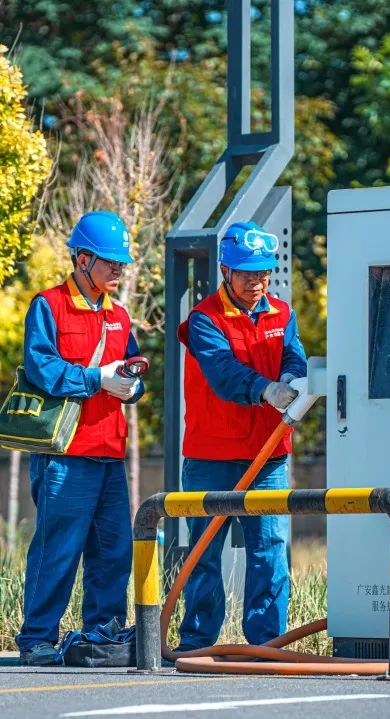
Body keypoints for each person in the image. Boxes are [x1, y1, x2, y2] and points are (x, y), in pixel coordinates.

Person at [15, 211, 145, 666]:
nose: (117, 270)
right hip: (64, 454)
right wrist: (95, 379)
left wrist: (130, 386)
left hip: (109, 451)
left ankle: (101, 635)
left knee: (113, 552)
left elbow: (128, 369)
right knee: (58, 549)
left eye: (121, 263)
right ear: (83, 259)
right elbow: (42, 368)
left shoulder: (119, 315)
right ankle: (37, 639)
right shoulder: (48, 306)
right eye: (110, 262)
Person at [176, 220, 307, 651]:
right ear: (225, 271)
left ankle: (267, 643)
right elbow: (223, 372)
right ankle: (197, 643)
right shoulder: (204, 319)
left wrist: (291, 376)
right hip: (210, 457)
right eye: (247, 273)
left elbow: (294, 355)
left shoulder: (282, 314)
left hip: (268, 457)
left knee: (269, 549)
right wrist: (265, 389)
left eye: (263, 273)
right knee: (204, 552)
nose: (257, 282)